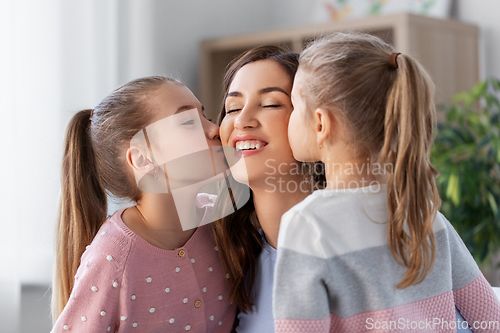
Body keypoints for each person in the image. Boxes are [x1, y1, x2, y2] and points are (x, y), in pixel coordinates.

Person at [272, 32, 500, 332]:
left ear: (320, 123)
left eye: (292, 105)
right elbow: (490, 319)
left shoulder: (307, 225)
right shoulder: (426, 216)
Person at [52, 76, 235, 332]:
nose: (215, 129)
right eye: (189, 122)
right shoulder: (111, 258)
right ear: (142, 159)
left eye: (204, 115)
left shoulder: (220, 220)